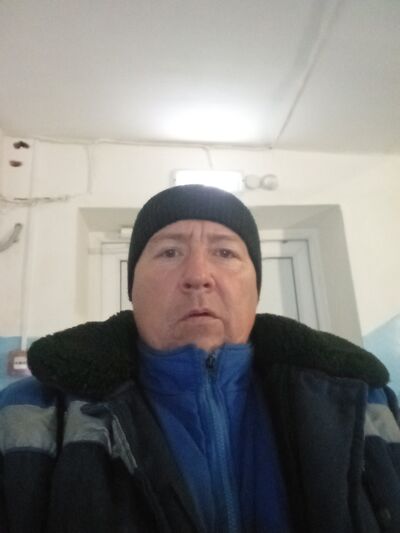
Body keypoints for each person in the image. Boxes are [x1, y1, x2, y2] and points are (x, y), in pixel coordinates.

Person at [0, 184, 399, 533]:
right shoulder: (29, 413)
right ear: (133, 288)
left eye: (225, 252)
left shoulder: (365, 406)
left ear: (255, 289)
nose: (198, 275)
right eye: (169, 252)